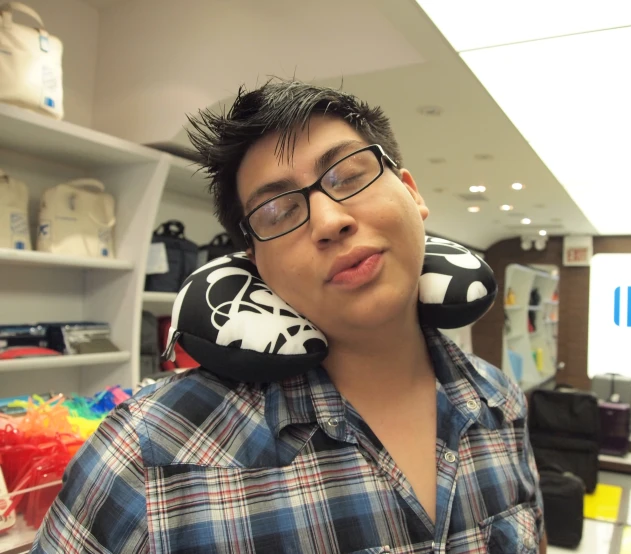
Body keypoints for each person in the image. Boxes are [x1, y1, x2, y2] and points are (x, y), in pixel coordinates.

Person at [32, 80, 547, 553]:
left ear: (411, 193)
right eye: (277, 212)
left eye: (348, 176)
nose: (329, 220)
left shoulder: (501, 402)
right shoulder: (149, 452)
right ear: (255, 263)